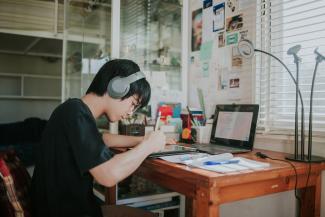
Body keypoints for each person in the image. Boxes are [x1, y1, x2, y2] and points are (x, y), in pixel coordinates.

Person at [31, 59, 167, 217]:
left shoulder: (74, 110)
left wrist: (141, 140)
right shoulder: (75, 113)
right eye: (133, 104)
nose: (131, 112)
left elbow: (102, 139)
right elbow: (108, 175)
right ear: (117, 88)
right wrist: (148, 146)